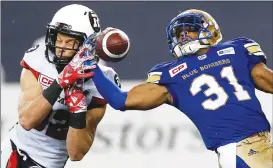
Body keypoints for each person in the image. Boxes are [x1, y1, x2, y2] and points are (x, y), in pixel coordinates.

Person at [86, 9, 273, 168]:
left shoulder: (238, 50)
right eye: (179, 33)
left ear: (210, 30)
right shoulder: (171, 74)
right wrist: (90, 64)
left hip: (260, 145)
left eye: (190, 29)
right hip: (240, 151)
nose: (183, 36)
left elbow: (267, 79)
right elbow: (121, 100)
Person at [1, 4, 120, 168]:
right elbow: (27, 120)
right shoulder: (38, 59)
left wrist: (78, 109)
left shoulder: (101, 82)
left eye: (69, 41)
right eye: (58, 38)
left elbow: (76, 153)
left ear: (86, 45)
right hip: (14, 150)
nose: (60, 48)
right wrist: (61, 81)